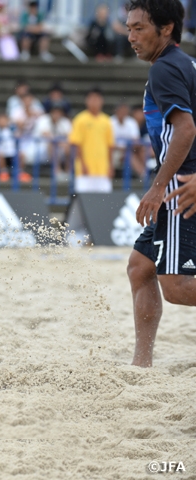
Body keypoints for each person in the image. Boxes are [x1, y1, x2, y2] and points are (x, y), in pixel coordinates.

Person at [125, 0, 196, 368]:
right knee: (140, 266)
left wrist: (158, 187)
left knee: (178, 287)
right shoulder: (185, 65)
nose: (131, 37)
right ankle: (142, 364)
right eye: (128, 29)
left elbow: (185, 129)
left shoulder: (165, 70)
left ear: (166, 28)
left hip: (179, 189)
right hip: (187, 181)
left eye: (139, 28)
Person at [68, 87, 114, 193]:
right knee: (83, 199)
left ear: (102, 101)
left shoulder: (107, 121)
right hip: (85, 170)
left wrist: (110, 166)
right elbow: (76, 144)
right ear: (86, 101)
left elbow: (110, 145)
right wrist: (82, 164)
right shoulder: (80, 120)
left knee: (104, 199)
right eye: (92, 99)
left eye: (97, 99)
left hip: (103, 169)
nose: (94, 102)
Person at [110, 102, 145, 178]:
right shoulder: (110, 122)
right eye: (121, 111)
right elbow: (109, 143)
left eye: (124, 111)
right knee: (129, 155)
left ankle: (146, 175)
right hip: (113, 151)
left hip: (129, 150)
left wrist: (127, 148)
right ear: (116, 111)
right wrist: (124, 148)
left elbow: (136, 141)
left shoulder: (131, 122)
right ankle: (144, 176)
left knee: (141, 151)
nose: (123, 113)